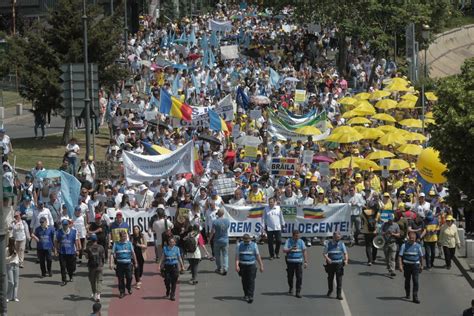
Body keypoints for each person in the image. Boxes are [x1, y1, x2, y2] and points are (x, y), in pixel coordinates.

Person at [235, 233, 264, 304]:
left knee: (251, 281)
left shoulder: (254, 245)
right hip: (242, 265)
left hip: (251, 265)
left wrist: (261, 265)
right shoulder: (239, 245)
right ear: (243, 240)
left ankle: (250, 296)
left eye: (248, 241)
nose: (247, 243)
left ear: (250, 239)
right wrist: (237, 265)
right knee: (244, 281)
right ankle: (246, 294)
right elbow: (237, 257)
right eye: (245, 241)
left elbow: (257, 256)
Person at [398, 231, 424, 304]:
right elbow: (400, 256)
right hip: (407, 266)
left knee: (415, 281)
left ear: (415, 239)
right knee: (407, 280)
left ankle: (415, 297)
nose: (412, 239)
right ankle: (407, 293)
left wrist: (422, 266)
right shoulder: (404, 245)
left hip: (415, 266)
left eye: (413, 238)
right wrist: (400, 265)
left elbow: (421, 256)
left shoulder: (418, 246)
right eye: (411, 238)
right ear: (408, 238)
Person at [110, 230, 137, 298]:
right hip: (120, 264)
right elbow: (112, 254)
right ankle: (122, 292)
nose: (125, 238)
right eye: (123, 236)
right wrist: (111, 263)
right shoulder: (116, 244)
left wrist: (135, 262)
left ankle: (128, 287)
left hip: (128, 264)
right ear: (120, 237)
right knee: (120, 279)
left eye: (126, 236)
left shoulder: (129, 244)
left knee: (129, 277)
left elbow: (133, 253)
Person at [323, 232, 348, 300]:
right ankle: (330, 290)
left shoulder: (341, 244)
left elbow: (345, 253)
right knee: (330, 278)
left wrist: (346, 260)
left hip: (339, 264)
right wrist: (327, 259)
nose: (338, 239)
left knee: (339, 279)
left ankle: (338, 294)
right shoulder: (328, 244)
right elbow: (324, 253)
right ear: (333, 237)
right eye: (337, 237)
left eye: (339, 237)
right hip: (330, 264)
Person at [55, 219, 81, 286]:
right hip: (62, 252)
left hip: (71, 252)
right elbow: (56, 241)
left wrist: (77, 250)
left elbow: (75, 241)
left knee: (70, 267)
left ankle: (71, 275)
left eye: (66, 225)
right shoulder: (58, 232)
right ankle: (64, 280)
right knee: (63, 267)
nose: (65, 226)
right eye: (64, 225)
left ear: (68, 225)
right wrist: (56, 250)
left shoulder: (73, 232)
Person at [283, 230, 308, 298]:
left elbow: (304, 251)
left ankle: (298, 292)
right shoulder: (288, 241)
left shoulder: (301, 241)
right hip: (290, 262)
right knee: (290, 277)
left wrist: (305, 261)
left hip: (299, 262)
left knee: (299, 277)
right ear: (293, 235)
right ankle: (291, 287)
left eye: (298, 236)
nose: (297, 237)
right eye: (296, 236)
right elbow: (284, 250)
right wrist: (290, 249)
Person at [85, 233, 105, 302]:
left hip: (91, 266)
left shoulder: (89, 248)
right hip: (99, 265)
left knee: (92, 281)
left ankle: (94, 294)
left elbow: (87, 257)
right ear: (96, 239)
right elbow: (103, 257)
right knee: (99, 280)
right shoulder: (101, 247)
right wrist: (102, 264)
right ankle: (98, 295)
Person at [210, 209, 230, 275]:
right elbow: (227, 228)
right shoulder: (227, 221)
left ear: (218, 214)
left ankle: (219, 267)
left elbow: (212, 232)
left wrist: (209, 239)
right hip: (225, 239)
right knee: (225, 255)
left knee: (217, 255)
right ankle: (225, 268)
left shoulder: (215, 222)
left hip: (217, 240)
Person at [131, 225, 147, 289]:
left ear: (139, 230)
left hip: (141, 254)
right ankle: (137, 282)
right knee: (136, 268)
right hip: (134, 255)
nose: (135, 230)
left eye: (137, 229)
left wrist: (139, 245)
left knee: (141, 268)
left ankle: (139, 277)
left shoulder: (142, 236)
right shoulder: (131, 237)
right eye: (134, 229)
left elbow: (145, 246)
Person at [6, 237, 20, 302]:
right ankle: (8, 296)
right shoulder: (7, 249)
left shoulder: (16, 248)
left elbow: (17, 256)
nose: (15, 242)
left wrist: (19, 260)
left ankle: (14, 297)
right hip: (9, 265)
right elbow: (5, 259)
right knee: (11, 282)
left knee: (16, 282)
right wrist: (11, 256)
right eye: (14, 241)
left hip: (16, 265)